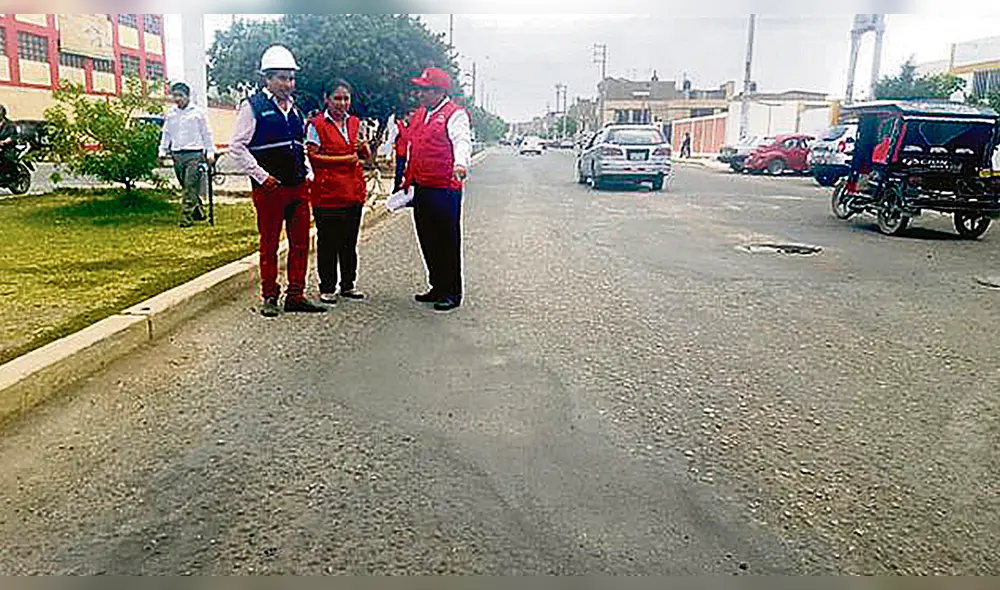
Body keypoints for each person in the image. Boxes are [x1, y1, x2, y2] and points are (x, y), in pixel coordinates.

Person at [228, 44, 326, 317]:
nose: (288, 83)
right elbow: (237, 146)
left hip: (297, 187)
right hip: (270, 189)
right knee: (269, 243)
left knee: (301, 243)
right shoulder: (253, 107)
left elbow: (300, 145)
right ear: (267, 78)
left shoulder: (295, 110)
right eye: (282, 77)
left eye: (291, 77)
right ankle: (270, 295)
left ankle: (296, 294)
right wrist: (261, 176)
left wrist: (309, 173)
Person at [400, 67, 472, 312]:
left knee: (446, 240)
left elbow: (461, 141)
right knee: (427, 239)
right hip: (422, 186)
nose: (420, 94)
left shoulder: (455, 114)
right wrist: (407, 177)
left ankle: (452, 291)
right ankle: (436, 285)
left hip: (445, 188)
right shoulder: (421, 114)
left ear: (440, 91)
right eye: (419, 89)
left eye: (425, 89)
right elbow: (413, 147)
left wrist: (460, 163)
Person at [305, 80, 371, 304]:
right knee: (328, 242)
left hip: (353, 192)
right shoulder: (316, 124)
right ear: (327, 99)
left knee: (349, 242)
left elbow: (364, 155)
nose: (342, 103)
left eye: (346, 98)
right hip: (327, 194)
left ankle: (348, 285)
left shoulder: (355, 123)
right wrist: (344, 159)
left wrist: (363, 149)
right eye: (337, 98)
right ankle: (327, 286)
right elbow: (313, 156)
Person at [158, 82, 215, 228]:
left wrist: (210, 152)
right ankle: (199, 211)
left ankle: (186, 218)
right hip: (177, 154)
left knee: (190, 185)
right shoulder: (171, 114)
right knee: (186, 186)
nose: (177, 99)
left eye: (180, 95)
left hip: (194, 153)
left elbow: (206, 133)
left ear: (187, 96)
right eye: (175, 95)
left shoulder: (198, 112)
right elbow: (167, 134)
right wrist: (162, 151)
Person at [392, 111, 411, 193]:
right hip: (401, 153)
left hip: (406, 153)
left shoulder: (407, 127)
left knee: (405, 172)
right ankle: (396, 188)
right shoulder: (399, 127)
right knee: (399, 171)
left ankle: (403, 187)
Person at [0, 105, 19, 172]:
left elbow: (13, 136)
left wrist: (4, 142)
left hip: (7, 147)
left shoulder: (10, 125)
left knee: (7, 158)